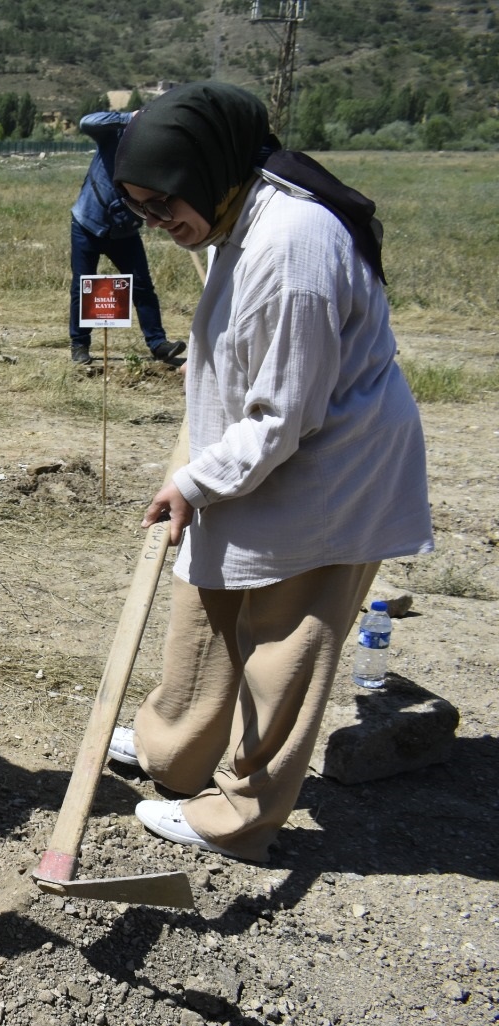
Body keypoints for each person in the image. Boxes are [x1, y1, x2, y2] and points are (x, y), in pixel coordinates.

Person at [105, 82, 433, 862]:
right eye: (142, 211)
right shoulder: (236, 213)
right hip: (249, 456)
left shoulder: (295, 246)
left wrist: (195, 480)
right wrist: (205, 471)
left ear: (209, 172)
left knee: (283, 644)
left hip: (329, 473)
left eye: (164, 205)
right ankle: (175, 754)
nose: (157, 225)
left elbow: (285, 414)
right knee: (207, 606)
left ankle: (241, 812)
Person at [67, 109, 187, 368]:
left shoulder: (159, 155)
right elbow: (86, 121)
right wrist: (128, 117)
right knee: (83, 286)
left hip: (125, 231)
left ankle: (158, 344)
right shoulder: (116, 136)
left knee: (142, 285)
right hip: (88, 222)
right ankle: (80, 344)